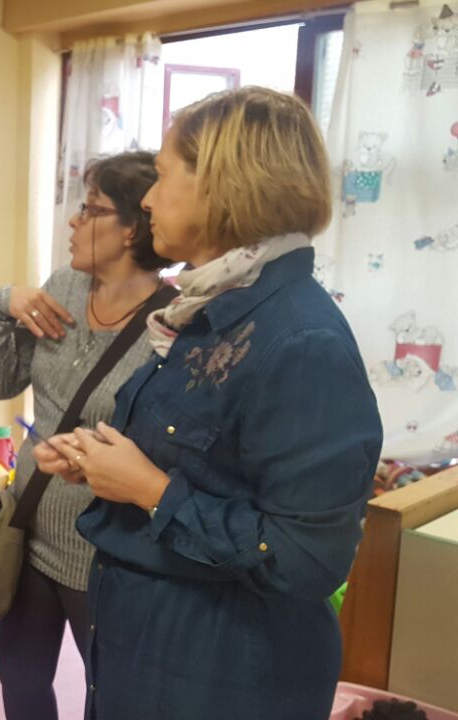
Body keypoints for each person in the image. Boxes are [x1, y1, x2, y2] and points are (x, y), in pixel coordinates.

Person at [36, 86, 383, 720]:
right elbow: (207, 458)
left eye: (163, 175)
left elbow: (307, 559)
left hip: (223, 673)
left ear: (224, 185)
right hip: (154, 650)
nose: (147, 199)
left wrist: (150, 490)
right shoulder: (209, 310)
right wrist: (105, 463)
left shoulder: (300, 340)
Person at [0, 151, 172, 719]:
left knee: (110, 696)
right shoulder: (62, 285)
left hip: (105, 551)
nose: (74, 220)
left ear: (132, 227)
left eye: (91, 210)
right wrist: (1, 306)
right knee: (19, 678)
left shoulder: (172, 323)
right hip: (28, 528)